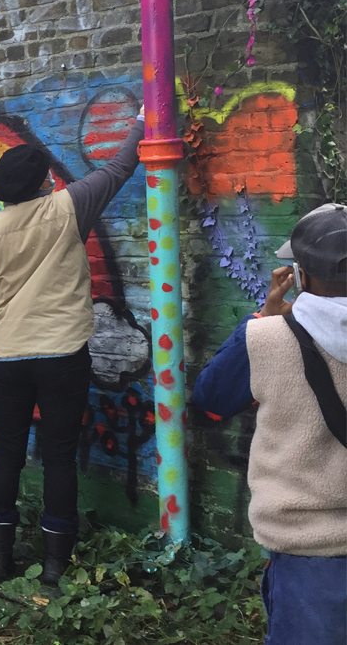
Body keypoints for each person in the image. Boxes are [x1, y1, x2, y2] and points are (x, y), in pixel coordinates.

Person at [0, 109, 145, 583]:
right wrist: (143, 119)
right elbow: (120, 167)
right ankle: (55, 563)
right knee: (58, 456)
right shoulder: (68, 206)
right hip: (62, 357)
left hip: (9, 357)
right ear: (42, 184)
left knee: (6, 453)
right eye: (48, 173)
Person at [193, 204, 347, 645]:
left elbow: (212, 398)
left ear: (301, 275)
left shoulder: (265, 338)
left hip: (308, 552)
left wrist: (265, 315)